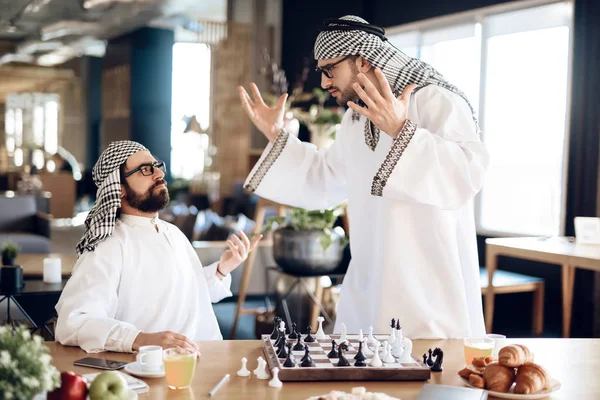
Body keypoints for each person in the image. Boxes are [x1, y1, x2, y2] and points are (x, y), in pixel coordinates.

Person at [238, 16, 489, 338]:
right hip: (370, 278)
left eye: (330, 70)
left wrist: (402, 130)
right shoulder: (355, 119)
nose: (325, 83)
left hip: (427, 283)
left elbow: (466, 174)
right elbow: (326, 178)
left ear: (363, 60)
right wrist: (278, 135)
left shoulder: (435, 100)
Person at [55, 141, 261, 353]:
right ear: (119, 188)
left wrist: (221, 269)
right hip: (154, 370)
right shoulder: (109, 245)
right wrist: (141, 339)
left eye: (156, 165)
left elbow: (185, 296)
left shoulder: (173, 233)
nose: (158, 174)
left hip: (208, 359)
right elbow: (73, 322)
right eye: (145, 169)